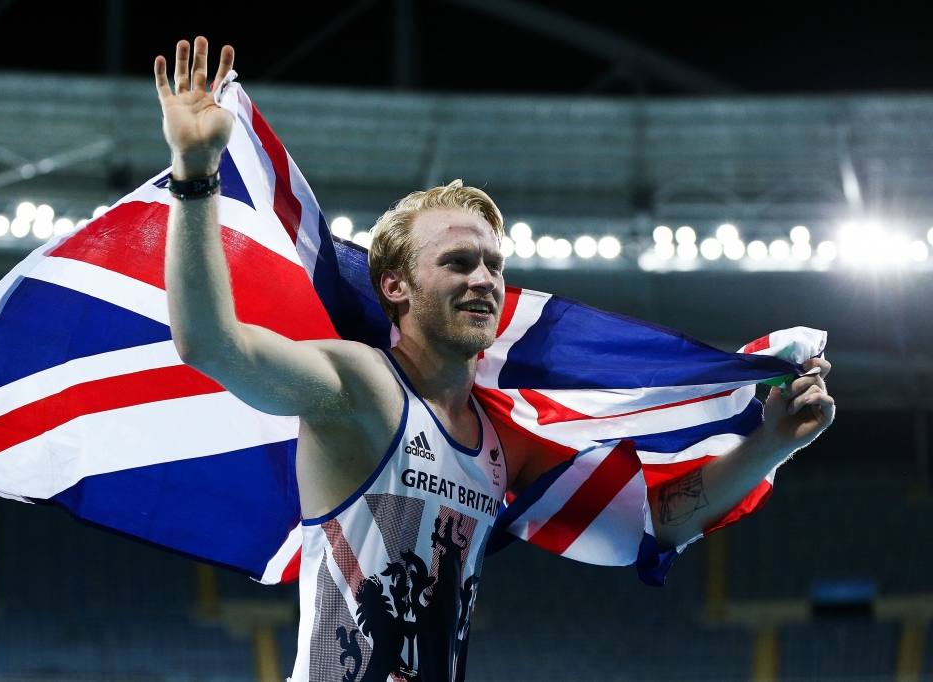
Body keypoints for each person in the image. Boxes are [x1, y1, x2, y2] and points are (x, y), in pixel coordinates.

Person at [155, 37, 835, 682]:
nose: (484, 279)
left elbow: (659, 522)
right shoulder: (360, 387)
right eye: (457, 262)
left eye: (493, 264)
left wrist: (773, 442)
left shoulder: (499, 440)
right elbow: (212, 343)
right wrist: (194, 175)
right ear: (395, 286)